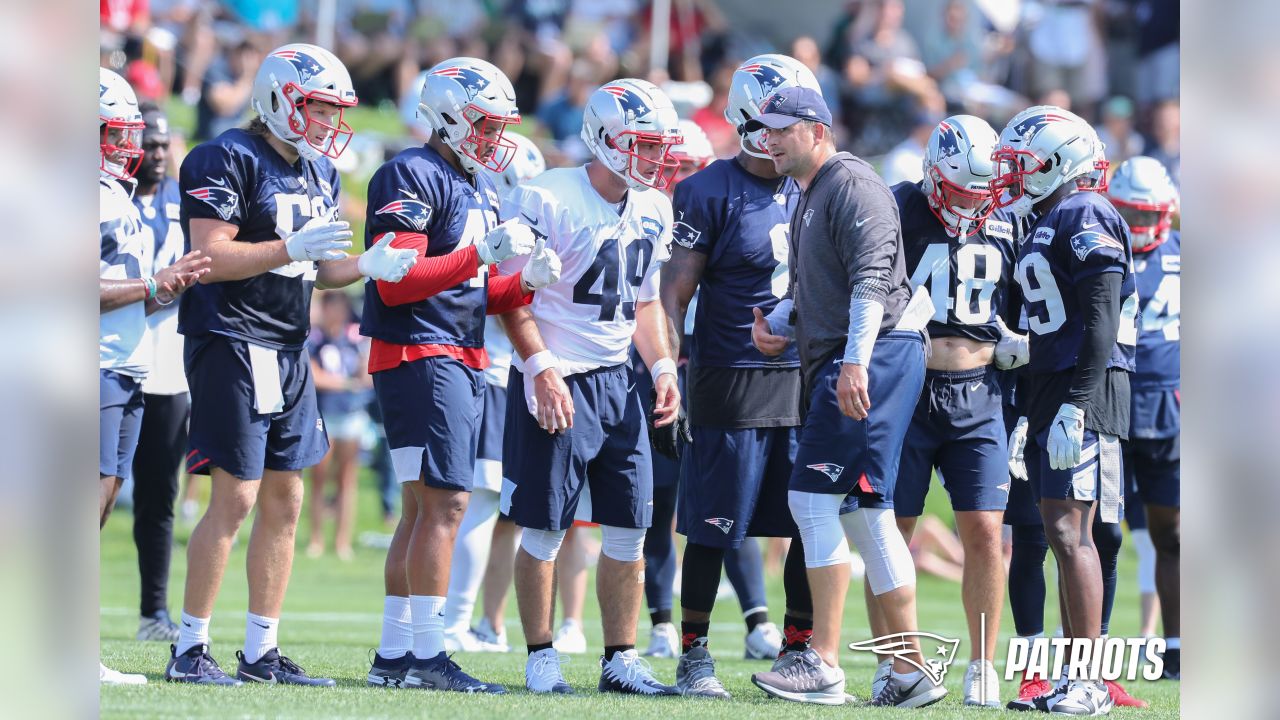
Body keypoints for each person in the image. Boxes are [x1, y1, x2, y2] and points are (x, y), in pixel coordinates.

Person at [166, 43, 418, 687]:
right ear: (278, 98)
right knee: (238, 494)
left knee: (287, 494)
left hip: (287, 341)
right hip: (230, 336)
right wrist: (288, 246)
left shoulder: (317, 171)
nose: (326, 121)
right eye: (316, 106)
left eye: (333, 109)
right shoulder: (225, 155)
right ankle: (190, 647)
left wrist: (363, 264)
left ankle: (261, 652)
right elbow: (209, 257)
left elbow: (317, 265)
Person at [360, 57, 559, 693]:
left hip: (454, 350)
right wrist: (481, 253)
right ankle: (427, 655)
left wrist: (522, 281)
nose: (492, 137)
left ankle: (396, 654)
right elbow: (397, 285)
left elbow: (474, 289)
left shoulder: (471, 183)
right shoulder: (413, 173)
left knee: (423, 509)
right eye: (482, 123)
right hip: (422, 352)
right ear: (446, 115)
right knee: (445, 504)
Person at [745, 85, 938, 708]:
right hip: (863, 352)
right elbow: (812, 289)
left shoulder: (851, 182)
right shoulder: (809, 192)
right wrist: (779, 323)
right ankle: (908, 670)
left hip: (873, 353)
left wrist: (854, 361)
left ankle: (822, 663)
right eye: (762, 128)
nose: (766, 138)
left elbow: (872, 283)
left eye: (779, 128)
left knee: (812, 498)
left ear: (817, 130)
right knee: (865, 510)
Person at [497, 78, 684, 696]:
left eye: (659, 146)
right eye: (643, 144)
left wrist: (660, 368)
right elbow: (509, 297)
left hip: (617, 381)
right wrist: (541, 367)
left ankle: (620, 659)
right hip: (556, 374)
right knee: (546, 527)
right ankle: (541, 654)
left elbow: (647, 303)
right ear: (602, 139)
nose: (655, 158)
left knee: (630, 527)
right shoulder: (549, 196)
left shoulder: (655, 207)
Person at [659, 55, 824, 699]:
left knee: (808, 520)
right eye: (772, 121)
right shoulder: (707, 190)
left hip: (803, 377)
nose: (782, 133)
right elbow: (674, 293)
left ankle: (798, 651)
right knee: (714, 522)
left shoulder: (817, 186)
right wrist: (670, 365)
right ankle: (694, 653)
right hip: (731, 373)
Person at [994, 106, 1136, 715]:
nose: (1015, 175)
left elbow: (1102, 317)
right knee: (1057, 532)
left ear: (1060, 162)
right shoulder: (1046, 217)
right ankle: (1074, 675)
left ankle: (1091, 681)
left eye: (1024, 164)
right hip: (1054, 384)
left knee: (1074, 533)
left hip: (1087, 387)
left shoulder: (1085, 210)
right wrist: (1030, 376)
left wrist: (1077, 403)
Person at [880, 114, 1024, 707]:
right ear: (934, 174)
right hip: (908, 392)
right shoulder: (897, 208)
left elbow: (1023, 299)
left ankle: (983, 664)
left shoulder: (1009, 221)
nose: (970, 201)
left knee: (986, 533)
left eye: (978, 189)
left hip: (979, 392)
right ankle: (897, 664)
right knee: (894, 532)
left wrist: (1017, 341)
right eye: (960, 187)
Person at [100, 67, 210, 686]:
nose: (140, 150)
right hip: (95, 362)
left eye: (143, 139)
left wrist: (168, 287)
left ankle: (143, 614)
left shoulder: (128, 196)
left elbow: (140, 294)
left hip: (135, 358)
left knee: (117, 495)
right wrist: (151, 285)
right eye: (119, 135)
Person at [442, 132, 548, 653]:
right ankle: (453, 623)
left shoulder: (491, 217)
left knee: (475, 504)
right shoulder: (485, 221)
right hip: (480, 366)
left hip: (490, 369)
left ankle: (456, 621)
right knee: (471, 502)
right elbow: (482, 296)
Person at [1105, 155, 1181, 680]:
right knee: (1099, 530)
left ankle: (1175, 648)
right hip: (1113, 396)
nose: (1139, 226)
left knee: (1173, 532)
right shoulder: (1100, 249)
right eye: (1129, 214)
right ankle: (1090, 649)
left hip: (1170, 406)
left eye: (1146, 214)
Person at [130, 103, 195, 644]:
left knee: (159, 494)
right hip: (106, 358)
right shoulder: (107, 198)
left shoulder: (183, 201)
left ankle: (154, 613)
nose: (155, 154)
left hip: (167, 366)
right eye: (146, 144)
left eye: (161, 145)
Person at [305, 290, 371, 561]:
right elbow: (313, 374)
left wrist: (354, 382)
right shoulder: (315, 338)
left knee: (347, 480)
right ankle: (316, 538)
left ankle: (342, 541)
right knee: (319, 478)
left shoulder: (355, 336)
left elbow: (367, 372)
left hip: (351, 414)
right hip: (324, 413)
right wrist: (345, 383)